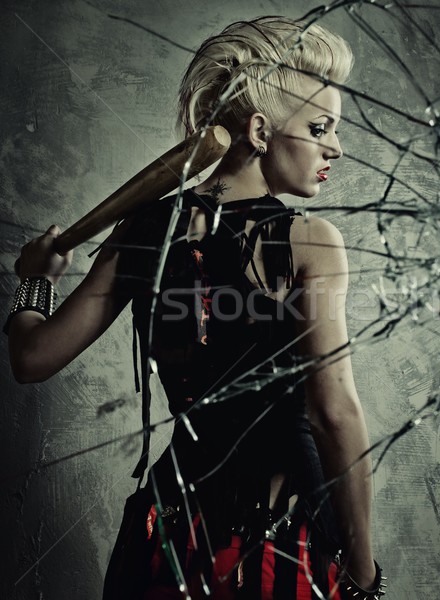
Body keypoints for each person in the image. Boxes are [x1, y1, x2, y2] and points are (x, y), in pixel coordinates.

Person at [5, 16, 384, 600]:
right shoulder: (310, 241)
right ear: (261, 130)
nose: (336, 146)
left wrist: (35, 282)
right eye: (320, 127)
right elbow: (333, 415)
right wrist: (363, 572)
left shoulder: (144, 229)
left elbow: (31, 357)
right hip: (278, 550)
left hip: (164, 544)